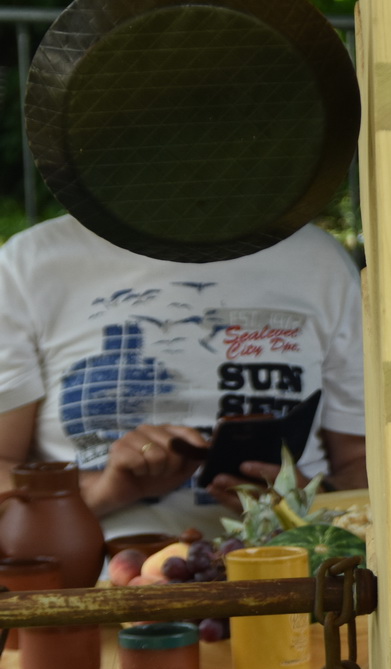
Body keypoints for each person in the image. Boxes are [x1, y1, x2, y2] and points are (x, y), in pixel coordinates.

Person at [0, 215, 369, 538]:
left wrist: (305, 501)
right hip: (90, 590)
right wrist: (103, 491)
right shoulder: (31, 264)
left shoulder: (318, 261)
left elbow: (366, 463)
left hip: (299, 583)